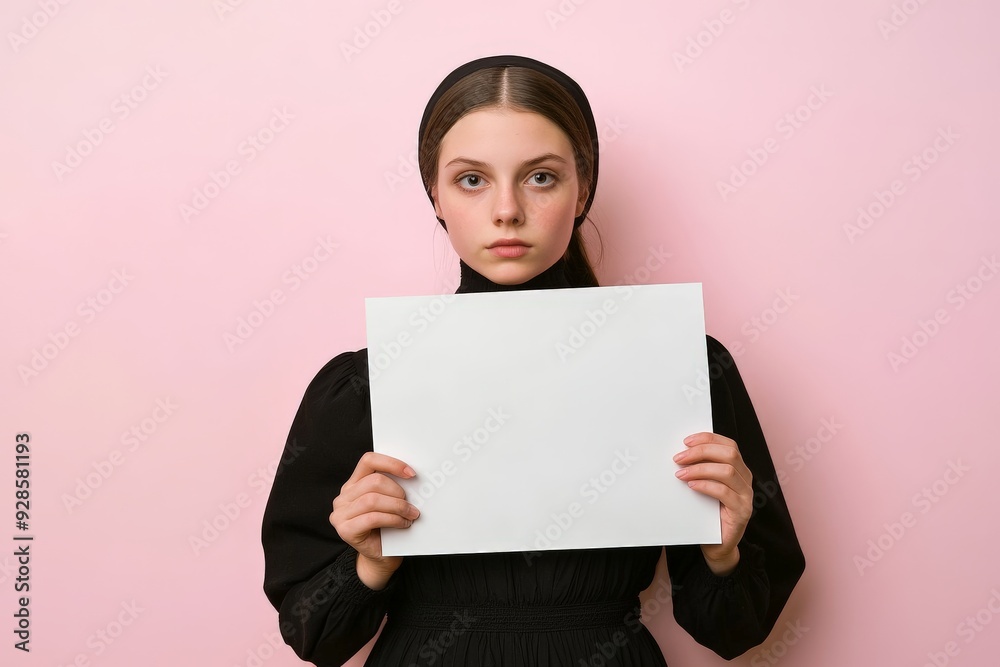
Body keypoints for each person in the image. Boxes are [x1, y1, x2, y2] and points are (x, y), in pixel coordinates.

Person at [261, 54, 805, 666]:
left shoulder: (680, 366)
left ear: (583, 190)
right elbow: (314, 635)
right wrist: (368, 564)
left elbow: (734, 631)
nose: (506, 210)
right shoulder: (363, 386)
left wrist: (724, 550)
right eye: (472, 179)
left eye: (540, 177)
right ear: (434, 196)